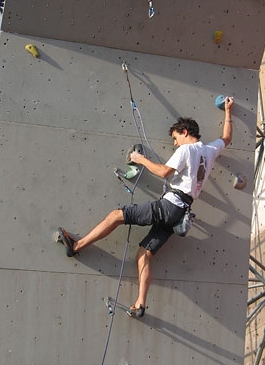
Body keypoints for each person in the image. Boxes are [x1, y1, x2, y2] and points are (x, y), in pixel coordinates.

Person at [58, 96, 234, 317]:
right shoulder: (209, 151)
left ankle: (77, 246)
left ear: (185, 132)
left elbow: (163, 172)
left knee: (116, 215)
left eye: (175, 138)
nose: (174, 143)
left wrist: (139, 159)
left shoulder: (186, 150)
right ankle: (140, 304)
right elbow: (226, 138)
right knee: (144, 254)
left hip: (169, 206)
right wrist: (228, 111)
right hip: (179, 215)